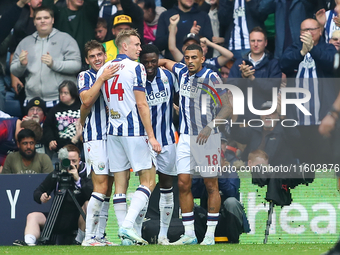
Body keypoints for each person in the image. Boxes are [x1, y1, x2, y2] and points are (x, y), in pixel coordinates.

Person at [158, 44, 232, 245]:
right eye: (187, 57)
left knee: (210, 185)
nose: (189, 61)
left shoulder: (212, 77)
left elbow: (227, 107)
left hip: (207, 138)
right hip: (184, 137)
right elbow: (164, 61)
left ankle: (209, 235)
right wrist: (144, 67)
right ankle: (189, 234)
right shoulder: (181, 71)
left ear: (202, 58)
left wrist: (209, 127)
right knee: (182, 183)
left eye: (194, 57)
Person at [98, 29, 161, 245]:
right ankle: (127, 225)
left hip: (113, 132)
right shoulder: (137, 68)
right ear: (124, 46)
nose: (140, 48)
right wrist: (151, 136)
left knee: (120, 185)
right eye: (136, 44)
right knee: (149, 179)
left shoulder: (104, 68)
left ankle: (126, 239)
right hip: (134, 131)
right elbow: (141, 103)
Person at [77, 40, 119, 246]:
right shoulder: (86, 76)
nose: (96, 59)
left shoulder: (113, 74)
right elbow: (86, 101)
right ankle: (88, 237)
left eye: (99, 55)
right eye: (92, 56)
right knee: (100, 187)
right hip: (95, 137)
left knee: (108, 188)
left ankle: (100, 235)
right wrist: (101, 78)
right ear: (87, 60)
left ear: (105, 55)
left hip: (114, 138)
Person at [280, 18, 338, 165]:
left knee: (325, 162)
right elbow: (283, 64)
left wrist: (312, 49)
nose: (308, 33)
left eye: (312, 29)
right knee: (305, 162)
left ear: (320, 30)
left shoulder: (328, 48)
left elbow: (332, 62)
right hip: (299, 118)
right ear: (300, 33)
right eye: (305, 30)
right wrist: (301, 52)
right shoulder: (294, 48)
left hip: (323, 118)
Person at [12, 144, 93, 246]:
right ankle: (29, 244)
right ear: (61, 161)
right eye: (67, 161)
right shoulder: (57, 173)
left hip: (78, 220)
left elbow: (91, 195)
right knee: (33, 216)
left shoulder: (86, 172)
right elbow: (38, 191)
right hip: (57, 218)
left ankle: (79, 241)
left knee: (88, 204)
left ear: (80, 160)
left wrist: (78, 180)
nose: (71, 164)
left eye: (74, 161)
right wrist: (42, 196)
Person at [139, 44, 179, 245]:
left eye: (153, 61)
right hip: (143, 141)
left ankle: (163, 235)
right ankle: (136, 233)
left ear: (158, 60)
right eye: (145, 61)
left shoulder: (169, 77)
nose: (149, 65)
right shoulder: (136, 79)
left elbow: (178, 97)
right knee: (145, 187)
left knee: (166, 186)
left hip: (168, 140)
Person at [10, 6, 82, 109]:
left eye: (46, 18)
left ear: (52, 20)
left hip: (60, 99)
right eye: (39, 18)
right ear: (34, 22)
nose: (42, 21)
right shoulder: (25, 42)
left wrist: (54, 64)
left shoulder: (65, 39)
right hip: (33, 101)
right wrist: (21, 65)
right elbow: (14, 70)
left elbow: (76, 65)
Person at [227, 26, 281, 121]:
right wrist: (243, 78)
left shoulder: (273, 63)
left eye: (259, 41)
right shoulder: (239, 63)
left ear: (266, 43)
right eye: (253, 41)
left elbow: (273, 89)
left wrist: (252, 78)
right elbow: (230, 89)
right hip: (242, 116)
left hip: (265, 116)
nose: (255, 44)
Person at [230, 101, 300, 166]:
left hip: (276, 174)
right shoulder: (254, 129)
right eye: (264, 112)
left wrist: (283, 117)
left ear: (278, 116)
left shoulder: (285, 131)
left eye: (272, 112)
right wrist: (234, 112)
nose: (267, 115)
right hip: (251, 172)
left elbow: (294, 137)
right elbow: (236, 134)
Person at [42, 0, 99, 69]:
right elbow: (47, 7)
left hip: (87, 64)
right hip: (64, 64)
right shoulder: (58, 14)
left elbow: (92, 3)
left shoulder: (89, 13)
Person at [168, 14, 234, 73]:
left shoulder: (211, 62)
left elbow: (229, 55)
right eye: (188, 45)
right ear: (183, 49)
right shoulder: (184, 61)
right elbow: (172, 48)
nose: (192, 48)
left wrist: (209, 43)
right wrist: (173, 25)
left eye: (196, 45)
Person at [43, 80, 82, 158]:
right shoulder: (54, 110)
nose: (62, 95)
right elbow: (47, 127)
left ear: (73, 93)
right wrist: (50, 140)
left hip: (80, 147)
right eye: (61, 93)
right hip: (59, 148)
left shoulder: (82, 107)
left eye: (66, 93)